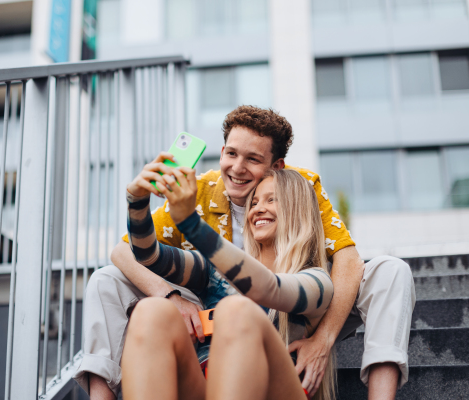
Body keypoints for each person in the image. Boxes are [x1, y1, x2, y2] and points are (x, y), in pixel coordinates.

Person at [74, 106, 415, 400]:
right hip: (213, 317)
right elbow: (131, 251)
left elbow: (341, 261)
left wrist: (322, 340)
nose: (236, 169)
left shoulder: (301, 190)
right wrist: (169, 293)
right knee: (113, 284)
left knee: (389, 270)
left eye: (253, 159)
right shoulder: (202, 192)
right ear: (222, 151)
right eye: (231, 154)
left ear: (277, 167)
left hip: (294, 313)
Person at [122, 168, 335, 400]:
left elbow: (267, 288)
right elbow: (148, 256)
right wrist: (137, 201)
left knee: (237, 310)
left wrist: (191, 224)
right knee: (151, 311)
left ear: (298, 208)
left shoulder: (317, 280)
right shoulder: (214, 272)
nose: (257, 209)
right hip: (205, 386)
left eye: (271, 200)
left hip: (276, 390)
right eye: (253, 203)